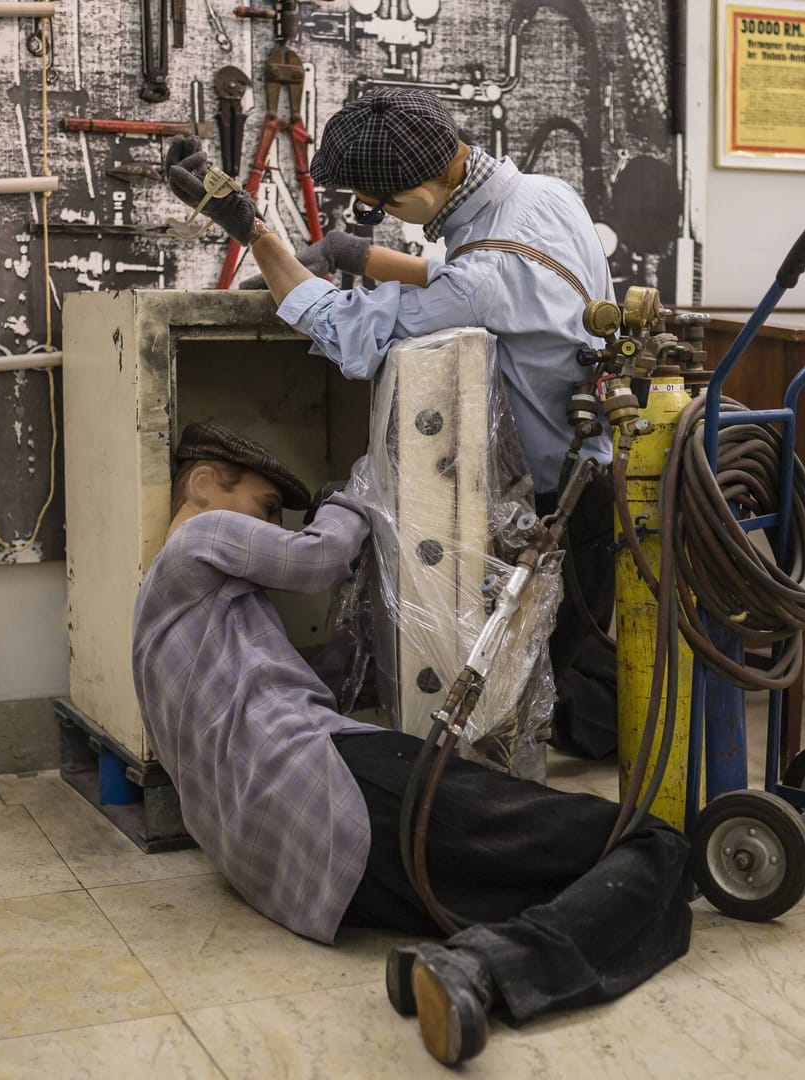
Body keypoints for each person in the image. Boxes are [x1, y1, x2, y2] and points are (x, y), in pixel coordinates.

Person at [132, 421, 691, 1066]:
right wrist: (359, 488)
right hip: (331, 784)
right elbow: (317, 558)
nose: (271, 527)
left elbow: (300, 688)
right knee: (650, 839)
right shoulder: (196, 537)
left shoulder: (161, 632)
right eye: (264, 509)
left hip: (309, 878)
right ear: (202, 484)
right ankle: (487, 967)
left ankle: (470, 967)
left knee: (563, 877)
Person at [163, 87, 620, 762]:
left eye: (387, 205)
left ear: (433, 179)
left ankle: (510, 806)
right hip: (599, 474)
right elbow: (470, 271)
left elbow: (346, 329)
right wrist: (357, 256)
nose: (384, 216)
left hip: (559, 504)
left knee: (532, 683)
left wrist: (252, 229)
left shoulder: (482, 277)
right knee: (565, 657)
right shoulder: (547, 196)